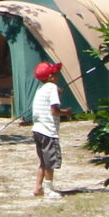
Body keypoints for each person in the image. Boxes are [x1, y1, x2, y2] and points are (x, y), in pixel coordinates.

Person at [31, 61, 73, 199]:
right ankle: (49, 190)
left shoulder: (41, 88)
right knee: (50, 161)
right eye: (55, 73)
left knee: (43, 161)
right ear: (50, 76)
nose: (58, 75)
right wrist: (66, 112)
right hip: (48, 131)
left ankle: (38, 187)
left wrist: (57, 93)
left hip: (37, 129)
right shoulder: (53, 87)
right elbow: (54, 111)